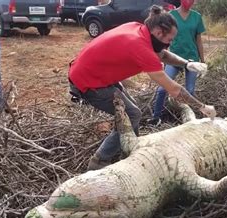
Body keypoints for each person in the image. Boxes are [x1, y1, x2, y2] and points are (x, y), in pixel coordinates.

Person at [68, 5, 216, 171]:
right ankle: (98, 162)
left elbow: (163, 54)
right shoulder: (140, 47)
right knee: (132, 115)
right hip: (88, 82)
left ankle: (131, 152)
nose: (170, 44)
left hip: (97, 74)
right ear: (159, 33)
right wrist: (202, 107)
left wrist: (187, 64)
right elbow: (174, 90)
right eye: (169, 40)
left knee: (132, 114)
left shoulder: (138, 29)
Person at [148, 0, 205, 126]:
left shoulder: (197, 17)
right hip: (173, 58)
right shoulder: (171, 16)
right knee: (162, 89)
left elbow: (199, 40)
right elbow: (163, 40)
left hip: (192, 59)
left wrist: (202, 61)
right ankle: (156, 117)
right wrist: (162, 56)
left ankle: (189, 119)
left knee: (190, 90)